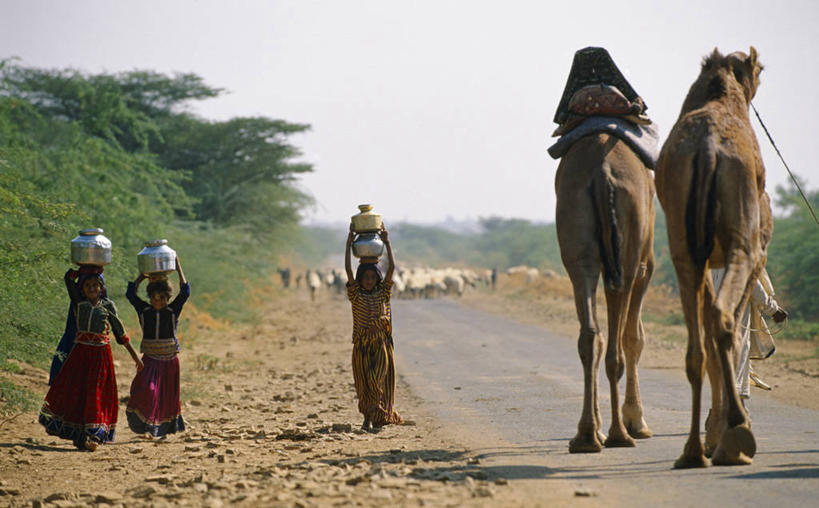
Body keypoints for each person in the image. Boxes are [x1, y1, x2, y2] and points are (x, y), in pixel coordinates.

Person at [39, 268, 143, 451]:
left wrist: (136, 357)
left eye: (95, 284)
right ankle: (79, 436)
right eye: (87, 285)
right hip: (79, 355)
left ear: (101, 287)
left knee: (96, 392)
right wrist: (80, 269)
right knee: (78, 391)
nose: (92, 288)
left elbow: (120, 334)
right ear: (82, 289)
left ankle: (94, 434)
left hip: (100, 356)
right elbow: (68, 280)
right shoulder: (79, 303)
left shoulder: (108, 306)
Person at [345, 224, 402, 432]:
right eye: (365, 278)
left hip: (380, 345)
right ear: (360, 279)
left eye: (372, 277)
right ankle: (368, 418)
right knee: (364, 384)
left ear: (377, 278)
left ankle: (379, 414)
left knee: (378, 380)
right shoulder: (355, 295)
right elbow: (348, 270)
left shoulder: (383, 293)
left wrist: (386, 242)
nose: (369, 281)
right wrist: (349, 242)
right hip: (361, 346)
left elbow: (392, 268)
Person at [125, 256, 190, 438]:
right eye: (154, 298)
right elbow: (130, 294)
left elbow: (185, 292)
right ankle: (143, 423)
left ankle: (160, 430)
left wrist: (178, 267)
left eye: (161, 298)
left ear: (168, 298)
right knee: (147, 389)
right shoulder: (144, 310)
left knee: (166, 396)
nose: (157, 302)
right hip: (150, 359)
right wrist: (143, 275)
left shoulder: (172, 311)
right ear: (150, 298)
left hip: (169, 360)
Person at [711, 267, 788, 409]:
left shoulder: (711, 251)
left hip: (713, 309)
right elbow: (750, 279)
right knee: (738, 352)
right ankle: (735, 408)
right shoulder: (739, 248)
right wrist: (772, 309)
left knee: (721, 356)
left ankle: (721, 407)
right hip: (735, 308)